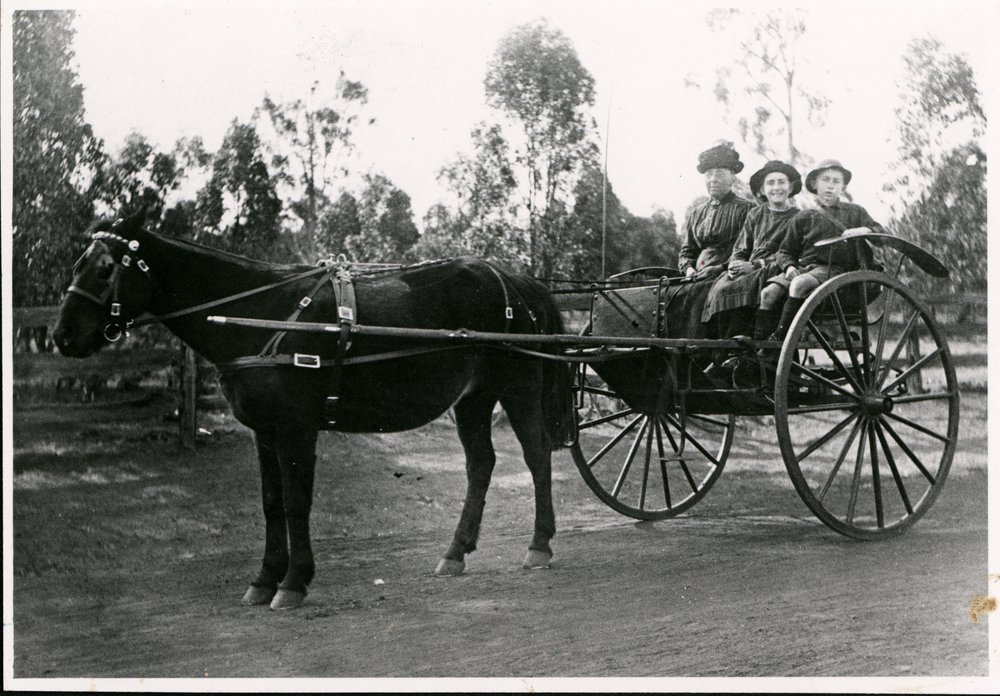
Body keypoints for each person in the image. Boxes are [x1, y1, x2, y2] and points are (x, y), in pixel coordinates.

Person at [755, 158, 886, 344]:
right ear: (815, 184)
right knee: (767, 294)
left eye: (836, 181)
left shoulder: (855, 212)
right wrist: (789, 267)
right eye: (825, 180)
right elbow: (784, 251)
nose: (830, 186)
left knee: (799, 284)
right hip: (806, 269)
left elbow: (881, 236)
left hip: (839, 272)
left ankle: (779, 339)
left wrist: (864, 230)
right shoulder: (804, 216)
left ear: (843, 187)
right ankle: (758, 347)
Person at [701, 160, 801, 381]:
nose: (777, 188)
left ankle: (739, 350)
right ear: (762, 190)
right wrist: (736, 263)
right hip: (749, 267)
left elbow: (792, 253)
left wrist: (755, 265)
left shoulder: (798, 217)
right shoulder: (756, 214)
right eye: (771, 183)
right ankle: (724, 352)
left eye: (781, 182)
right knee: (721, 287)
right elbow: (741, 247)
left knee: (747, 285)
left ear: (790, 187)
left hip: (777, 267)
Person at [679, 141, 754, 281]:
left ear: (732, 178)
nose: (713, 179)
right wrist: (689, 269)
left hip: (731, 276)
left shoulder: (748, 209)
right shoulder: (696, 213)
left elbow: (749, 249)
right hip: (697, 276)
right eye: (708, 174)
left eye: (719, 174)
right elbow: (687, 251)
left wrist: (721, 268)